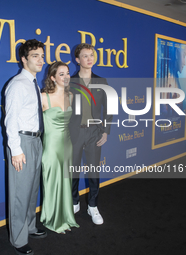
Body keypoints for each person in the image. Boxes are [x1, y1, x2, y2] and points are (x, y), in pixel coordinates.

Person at [4, 39, 47, 255]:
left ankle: (30, 227)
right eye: (35, 56)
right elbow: (10, 120)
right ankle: (18, 240)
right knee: (20, 193)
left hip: (36, 141)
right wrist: (16, 150)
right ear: (24, 59)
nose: (41, 60)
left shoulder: (33, 83)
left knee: (31, 191)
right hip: (22, 143)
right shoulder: (18, 84)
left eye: (42, 55)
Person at [69, 43, 113, 225]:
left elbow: (109, 107)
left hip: (95, 132)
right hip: (74, 133)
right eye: (85, 56)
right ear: (77, 60)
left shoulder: (102, 81)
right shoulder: (68, 82)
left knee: (94, 171)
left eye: (92, 55)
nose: (90, 59)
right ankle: (74, 202)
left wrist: (106, 131)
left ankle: (93, 206)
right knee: (73, 171)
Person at [40, 61, 79, 234]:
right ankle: (53, 220)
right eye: (61, 74)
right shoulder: (43, 97)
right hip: (51, 147)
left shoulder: (71, 96)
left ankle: (66, 217)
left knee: (65, 182)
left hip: (67, 144)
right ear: (52, 78)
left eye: (67, 73)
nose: (65, 77)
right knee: (52, 183)